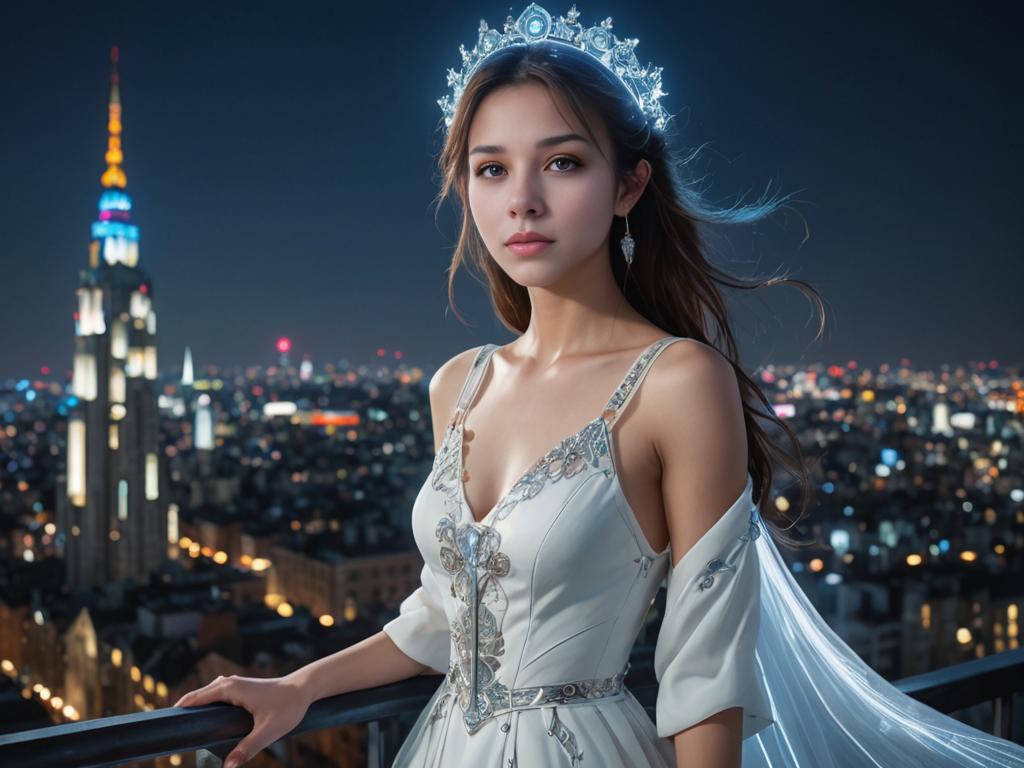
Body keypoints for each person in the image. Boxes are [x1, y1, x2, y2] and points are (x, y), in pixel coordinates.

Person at [174, 5, 1024, 767]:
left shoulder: (679, 381)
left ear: (628, 186)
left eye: (563, 163)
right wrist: (300, 688)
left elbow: (703, 664)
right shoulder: (457, 384)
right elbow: (448, 617)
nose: (523, 203)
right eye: (492, 169)